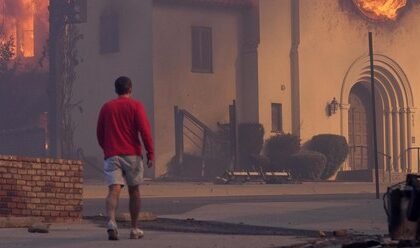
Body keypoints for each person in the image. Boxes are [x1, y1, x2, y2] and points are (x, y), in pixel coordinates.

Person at [96, 76, 154, 241]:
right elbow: (145, 131)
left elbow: (100, 133)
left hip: (112, 155)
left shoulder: (107, 108)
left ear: (116, 90)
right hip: (132, 155)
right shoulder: (136, 106)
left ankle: (112, 222)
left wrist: (107, 148)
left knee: (113, 189)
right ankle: (134, 228)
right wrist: (150, 152)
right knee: (134, 190)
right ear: (130, 89)